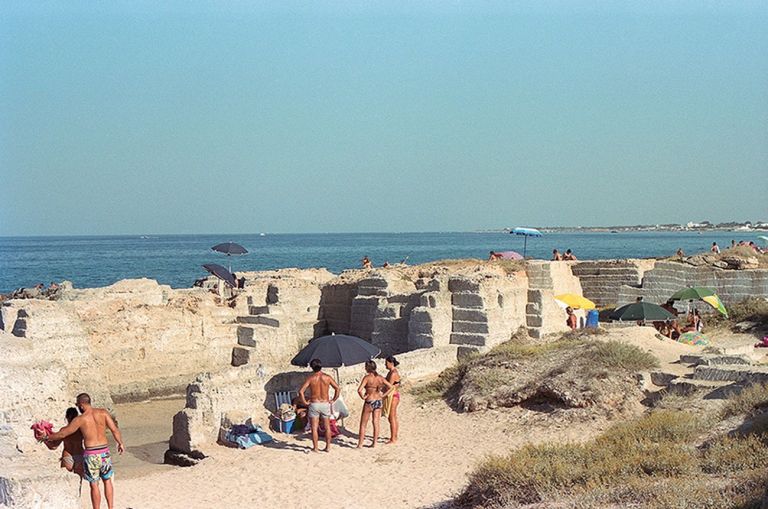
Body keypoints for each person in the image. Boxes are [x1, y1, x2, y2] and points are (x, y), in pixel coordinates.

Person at [42, 394, 124, 509]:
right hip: (104, 452)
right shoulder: (103, 413)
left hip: (91, 454)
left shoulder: (80, 419)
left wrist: (46, 437)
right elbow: (114, 429)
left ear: (81, 405)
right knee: (107, 480)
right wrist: (120, 443)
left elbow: (63, 434)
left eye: (77, 405)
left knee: (94, 485)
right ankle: (111, 507)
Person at [298, 359, 340, 452]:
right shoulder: (327, 377)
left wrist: (305, 402)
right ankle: (328, 447)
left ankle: (316, 448)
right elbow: (337, 388)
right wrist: (333, 399)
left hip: (314, 403)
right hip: (325, 403)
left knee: (314, 427)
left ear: (312, 367)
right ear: (321, 366)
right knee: (327, 426)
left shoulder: (311, 378)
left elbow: (301, 391)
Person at [356, 360, 395, 448]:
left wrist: (363, 397)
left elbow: (359, 390)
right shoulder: (380, 378)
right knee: (376, 422)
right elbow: (391, 387)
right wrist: (383, 396)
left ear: (367, 368)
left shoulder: (367, 378)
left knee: (363, 424)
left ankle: (360, 444)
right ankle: (374, 443)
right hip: (378, 400)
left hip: (369, 400)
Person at [47, 407, 85, 477]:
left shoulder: (64, 430)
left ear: (67, 417)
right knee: (80, 481)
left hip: (67, 456)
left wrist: (44, 439)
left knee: (67, 481)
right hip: (80, 455)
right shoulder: (81, 430)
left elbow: (53, 446)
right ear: (76, 417)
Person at [383, 356, 401, 445]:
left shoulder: (393, 373)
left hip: (393, 396)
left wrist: (382, 395)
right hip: (393, 395)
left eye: (386, 363)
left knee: (392, 417)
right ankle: (395, 436)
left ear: (391, 363)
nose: (385, 365)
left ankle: (393, 438)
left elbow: (389, 387)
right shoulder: (391, 372)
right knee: (393, 417)